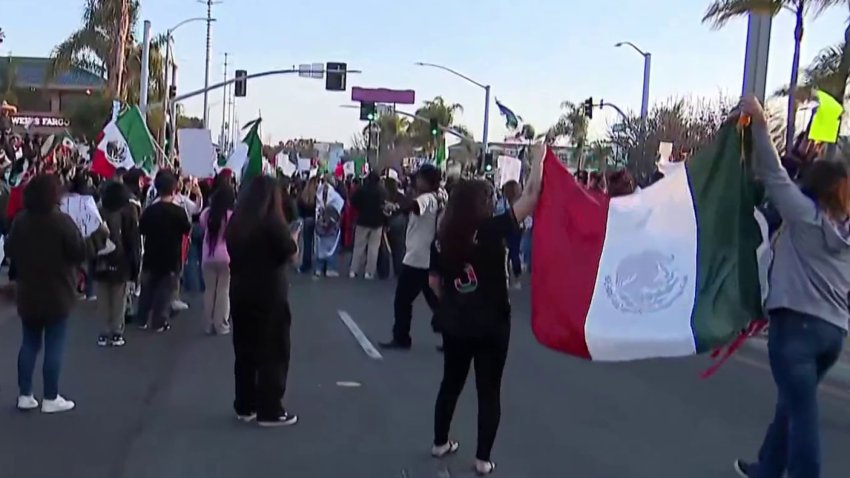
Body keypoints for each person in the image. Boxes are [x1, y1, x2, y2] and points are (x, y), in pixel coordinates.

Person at [734, 96, 850, 478]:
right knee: (792, 406)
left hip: (796, 328)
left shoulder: (805, 216)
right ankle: (768, 468)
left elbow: (773, 174)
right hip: (833, 334)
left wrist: (761, 125)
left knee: (801, 415)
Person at [429, 147, 543, 475]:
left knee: (450, 382)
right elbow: (532, 196)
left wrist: (452, 301)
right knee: (488, 391)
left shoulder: (443, 236)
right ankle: (482, 459)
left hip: (456, 322)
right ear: (481, 203)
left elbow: (434, 281)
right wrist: (539, 158)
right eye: (489, 196)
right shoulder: (492, 229)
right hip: (492, 322)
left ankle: (440, 442)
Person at [6, 173, 93, 413]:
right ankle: (51, 397)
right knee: (54, 345)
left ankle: (25, 394)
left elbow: (10, 249)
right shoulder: (62, 221)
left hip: (28, 290)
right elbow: (78, 252)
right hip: (58, 291)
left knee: (29, 344)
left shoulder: (21, 220)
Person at [226, 176, 300, 427]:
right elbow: (290, 253)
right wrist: (295, 238)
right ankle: (270, 408)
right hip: (269, 293)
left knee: (244, 350)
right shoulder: (273, 224)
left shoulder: (237, 223)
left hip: (239, 289)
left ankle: (244, 404)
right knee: (273, 350)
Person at [380, 164, 445, 350]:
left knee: (403, 299)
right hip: (425, 257)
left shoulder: (426, 198)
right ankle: (452, 337)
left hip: (418, 258)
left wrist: (397, 207)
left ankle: (401, 337)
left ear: (427, 181)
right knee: (435, 301)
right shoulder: (436, 197)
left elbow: (415, 207)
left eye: (419, 178)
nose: (416, 181)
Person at [136, 171, 191, 333]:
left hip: (151, 253)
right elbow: (186, 229)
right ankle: (159, 321)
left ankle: (142, 318)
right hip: (170, 256)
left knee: (147, 288)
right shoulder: (178, 212)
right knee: (164, 291)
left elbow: (142, 229)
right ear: (174, 191)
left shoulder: (150, 210)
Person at [94, 179, 141, 347]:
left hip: (101, 260)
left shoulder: (99, 211)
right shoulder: (128, 212)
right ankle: (116, 332)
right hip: (121, 262)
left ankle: (104, 332)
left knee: (103, 297)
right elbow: (133, 242)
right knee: (119, 298)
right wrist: (135, 268)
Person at [200, 183, 235, 335]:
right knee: (223, 291)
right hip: (226, 256)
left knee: (209, 291)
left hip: (208, 256)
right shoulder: (231, 215)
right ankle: (221, 324)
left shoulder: (207, 214)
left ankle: (208, 324)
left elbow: (202, 226)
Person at [349, 172, 387, 279]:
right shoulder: (381, 191)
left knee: (358, 247)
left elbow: (353, 202)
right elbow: (385, 206)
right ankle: (369, 272)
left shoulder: (362, 190)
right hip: (377, 222)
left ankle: (353, 270)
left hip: (362, 221)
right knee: (373, 248)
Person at [314, 175, 344, 278]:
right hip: (331, 223)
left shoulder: (318, 193)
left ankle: (319, 268)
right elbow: (340, 206)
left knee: (320, 246)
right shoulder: (335, 195)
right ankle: (330, 269)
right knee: (331, 246)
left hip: (319, 222)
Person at [497, 180, 523, 289]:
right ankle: (515, 278)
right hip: (514, 230)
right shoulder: (518, 203)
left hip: (508, 230)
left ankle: (509, 278)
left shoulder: (502, 203)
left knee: (508, 254)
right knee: (513, 253)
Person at [297, 177, 318, 274]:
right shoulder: (318, 195)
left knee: (307, 243)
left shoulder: (303, 195)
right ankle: (319, 265)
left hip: (306, 220)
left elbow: (299, 208)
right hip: (316, 219)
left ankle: (306, 263)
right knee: (318, 243)